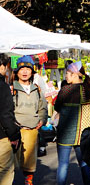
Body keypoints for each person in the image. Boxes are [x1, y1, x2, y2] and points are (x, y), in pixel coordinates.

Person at [54, 61, 90, 185]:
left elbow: (57, 108)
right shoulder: (87, 91)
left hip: (65, 134)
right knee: (84, 163)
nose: (65, 76)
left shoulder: (65, 90)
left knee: (63, 165)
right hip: (83, 133)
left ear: (75, 75)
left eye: (68, 74)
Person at [12, 55, 47, 185]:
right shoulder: (11, 89)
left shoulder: (36, 89)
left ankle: (29, 182)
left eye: (28, 69)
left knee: (30, 162)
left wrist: (42, 120)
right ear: (17, 72)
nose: (25, 71)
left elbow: (43, 108)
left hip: (32, 130)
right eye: (22, 69)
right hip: (15, 130)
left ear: (32, 71)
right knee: (11, 162)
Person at [0, 53, 20, 185]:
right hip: (2, 136)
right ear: (2, 67)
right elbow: (5, 114)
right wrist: (14, 135)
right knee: (5, 171)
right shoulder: (2, 87)